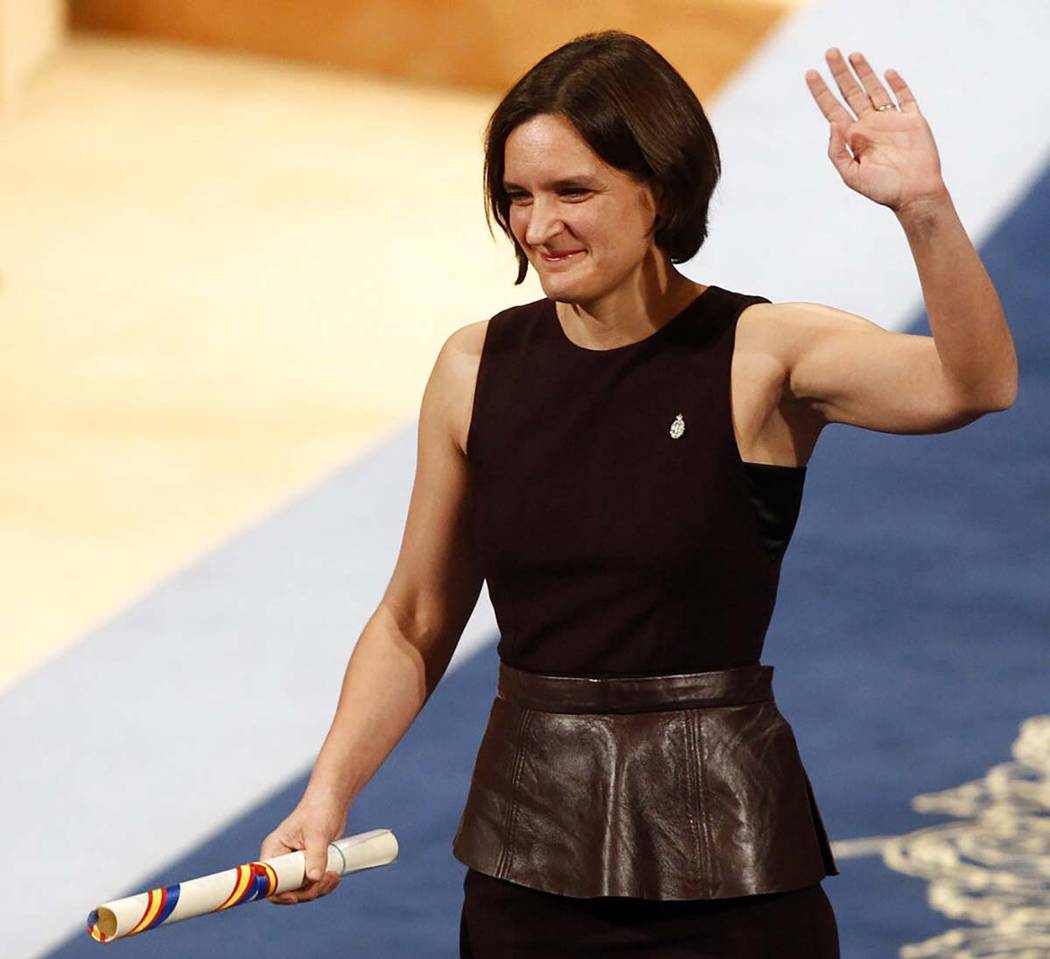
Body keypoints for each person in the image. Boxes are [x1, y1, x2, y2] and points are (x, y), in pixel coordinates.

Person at [259, 30, 1017, 957]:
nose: (539, 227)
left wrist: (925, 209)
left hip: (727, 875)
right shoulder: (473, 367)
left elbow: (971, 383)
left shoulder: (764, 352)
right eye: (518, 197)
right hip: (523, 862)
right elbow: (415, 617)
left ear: (658, 191)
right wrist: (327, 793)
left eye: (574, 192)